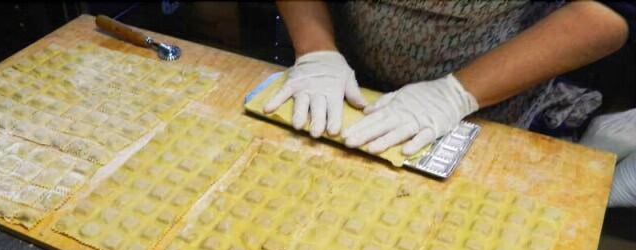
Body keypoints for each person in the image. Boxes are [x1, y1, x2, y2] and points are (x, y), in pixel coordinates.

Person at [264, 1, 629, 155]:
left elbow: (606, 13)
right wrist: (316, 49)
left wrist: (456, 94)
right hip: (337, 81)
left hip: (486, 98)